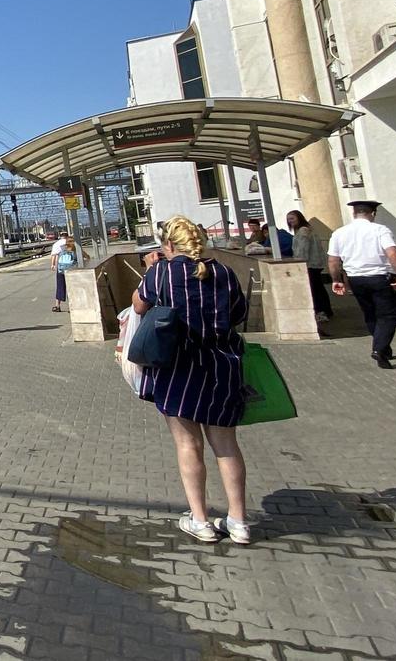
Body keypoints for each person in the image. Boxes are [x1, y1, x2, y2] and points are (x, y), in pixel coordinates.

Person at [133, 215, 251, 545]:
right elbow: (239, 313)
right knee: (227, 446)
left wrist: (149, 268)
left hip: (177, 369)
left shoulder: (161, 273)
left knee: (188, 445)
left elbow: (138, 304)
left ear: (168, 245)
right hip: (222, 367)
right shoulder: (224, 272)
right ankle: (239, 521)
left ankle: (200, 520)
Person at [328, 199, 396, 369]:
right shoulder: (379, 230)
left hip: (355, 279)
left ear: (354, 213)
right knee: (388, 315)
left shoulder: (339, 233)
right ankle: (379, 349)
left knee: (370, 313)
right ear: (373, 213)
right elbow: (392, 253)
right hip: (380, 278)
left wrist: (336, 280)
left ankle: (383, 346)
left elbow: (333, 260)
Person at [286, 210, 332, 321]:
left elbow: (302, 249)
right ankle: (326, 310)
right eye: (288, 219)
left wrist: (299, 263)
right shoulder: (307, 229)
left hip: (309, 264)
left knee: (315, 289)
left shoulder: (302, 231)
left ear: (299, 218)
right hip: (315, 262)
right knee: (319, 287)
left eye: (292, 218)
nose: (290, 221)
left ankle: (321, 312)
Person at [50, 232, 80, 312]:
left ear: (60, 236)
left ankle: (57, 306)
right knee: (72, 287)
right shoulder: (74, 245)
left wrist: (52, 265)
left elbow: (54, 255)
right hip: (71, 270)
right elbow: (82, 255)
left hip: (61, 269)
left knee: (60, 286)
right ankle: (71, 307)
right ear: (67, 236)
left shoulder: (58, 245)